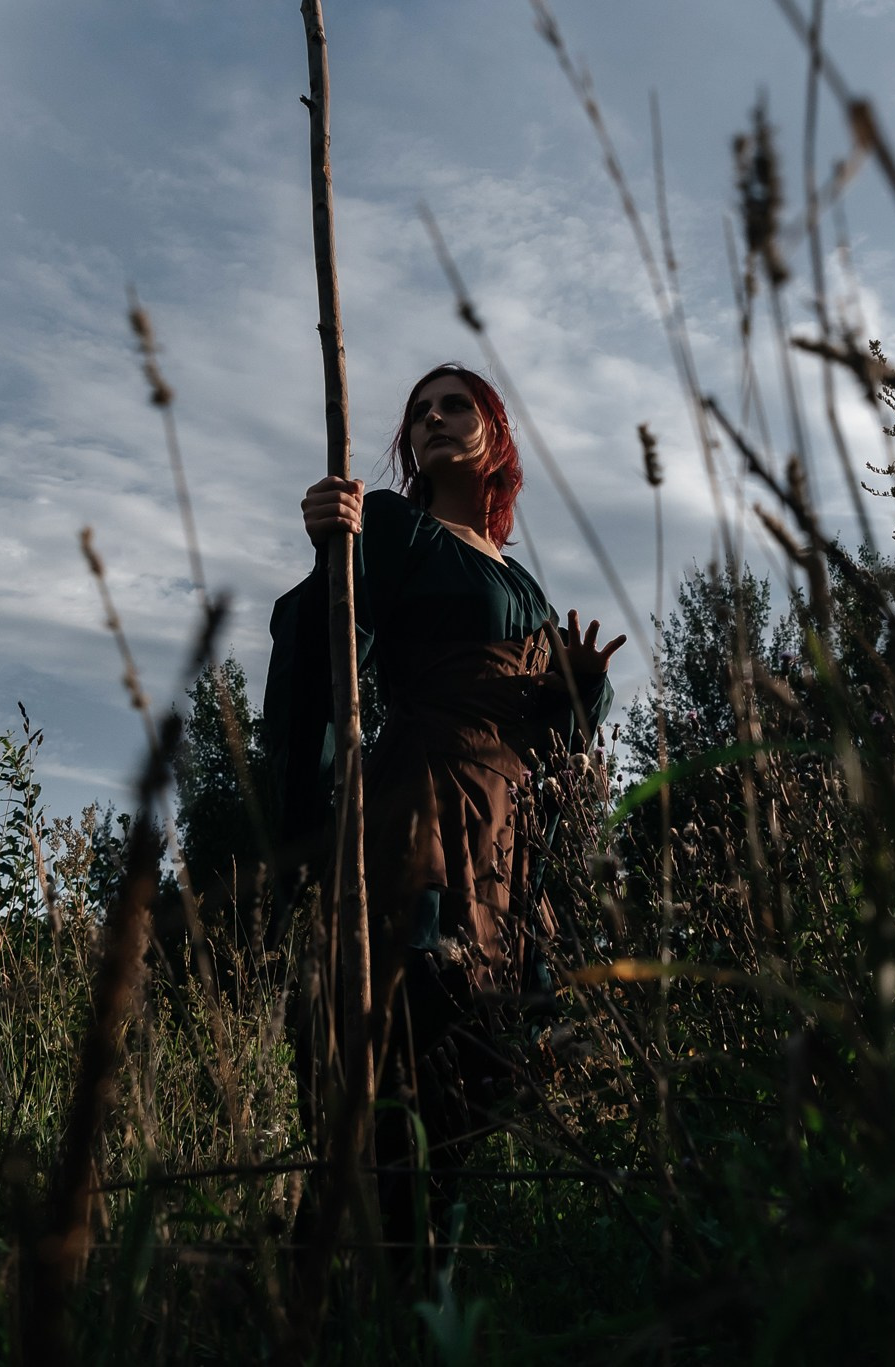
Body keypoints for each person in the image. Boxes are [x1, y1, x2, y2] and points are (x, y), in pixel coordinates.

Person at [262, 362, 624, 1241]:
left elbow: (555, 736)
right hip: (424, 805)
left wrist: (583, 693)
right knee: (407, 1031)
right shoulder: (395, 527)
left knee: (478, 1068)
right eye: (419, 411)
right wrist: (331, 552)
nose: (431, 418)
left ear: (494, 434)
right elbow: (328, 633)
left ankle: (415, 1279)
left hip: (507, 837)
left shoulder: (526, 584)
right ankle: (346, 1264)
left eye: (454, 404)